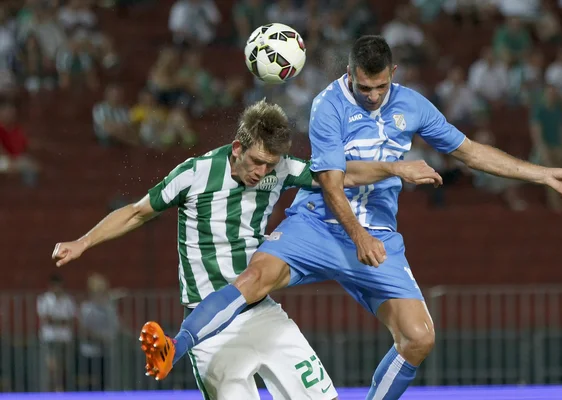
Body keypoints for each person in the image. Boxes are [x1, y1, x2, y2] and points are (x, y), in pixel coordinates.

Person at [145, 36, 562, 399]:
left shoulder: (413, 106)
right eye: (364, 88)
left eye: (379, 87)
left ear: (392, 75)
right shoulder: (328, 106)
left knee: (418, 338)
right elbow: (332, 183)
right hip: (318, 223)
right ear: (350, 75)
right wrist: (357, 234)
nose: (372, 96)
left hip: (378, 234)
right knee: (253, 279)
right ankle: (173, 347)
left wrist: (543, 174)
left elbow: (469, 152)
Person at [51, 99, 443, 399]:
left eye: (270, 165)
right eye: (257, 162)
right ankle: (176, 346)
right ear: (237, 147)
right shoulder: (195, 173)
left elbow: (336, 177)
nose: (262, 173)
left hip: (262, 313)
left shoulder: (281, 170)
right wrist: (82, 242)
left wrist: (395, 168)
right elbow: (137, 213)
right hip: (207, 325)